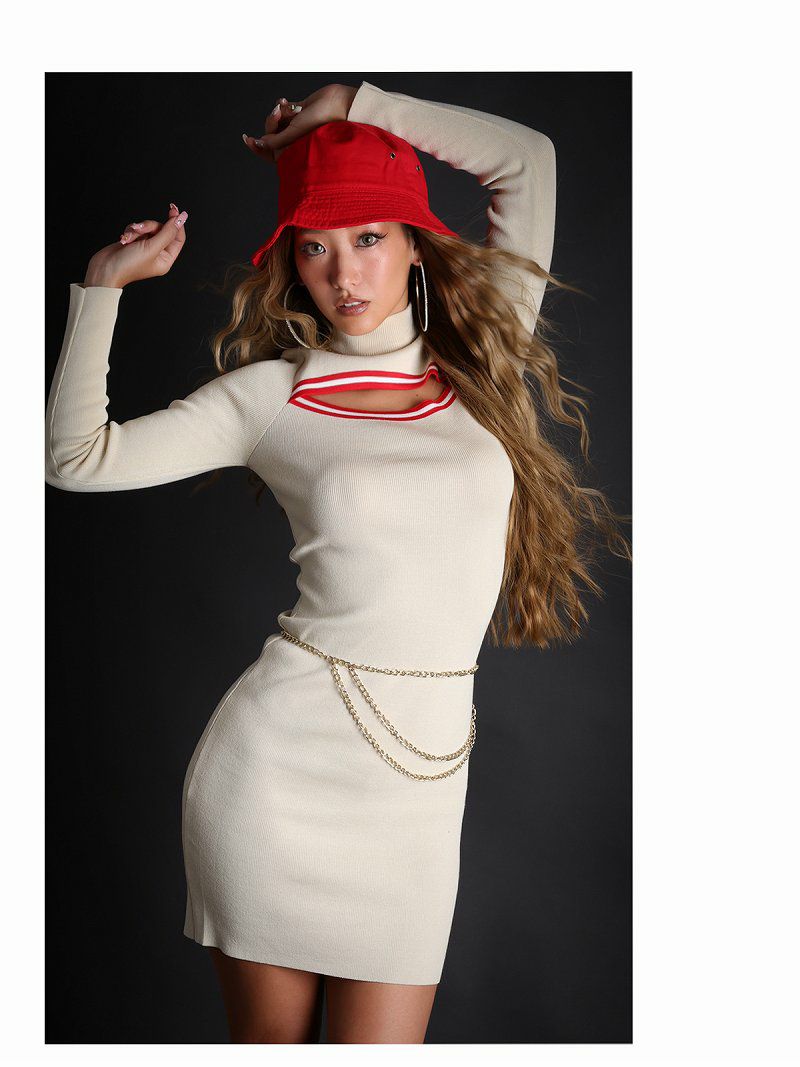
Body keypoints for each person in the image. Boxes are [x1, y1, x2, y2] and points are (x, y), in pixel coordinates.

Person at [45, 80, 628, 1043]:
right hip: (276, 778)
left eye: (368, 238)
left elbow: (527, 161)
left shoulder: (482, 363)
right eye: (315, 247)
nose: (344, 273)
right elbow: (75, 459)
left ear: (416, 244)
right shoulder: (269, 398)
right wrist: (101, 289)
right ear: (292, 263)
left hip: (418, 790)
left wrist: (358, 103)